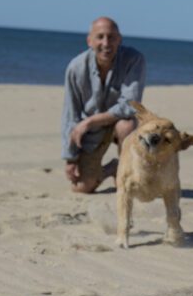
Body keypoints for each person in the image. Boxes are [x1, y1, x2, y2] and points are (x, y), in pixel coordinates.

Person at [61, 17, 146, 193]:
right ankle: (112, 168)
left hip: (119, 125)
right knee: (81, 187)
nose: (106, 43)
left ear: (119, 39)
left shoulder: (134, 59)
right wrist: (70, 157)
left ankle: (126, 175)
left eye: (111, 37)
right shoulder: (75, 68)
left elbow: (131, 105)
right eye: (100, 37)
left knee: (126, 125)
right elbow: (71, 115)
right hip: (90, 134)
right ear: (89, 41)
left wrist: (90, 121)